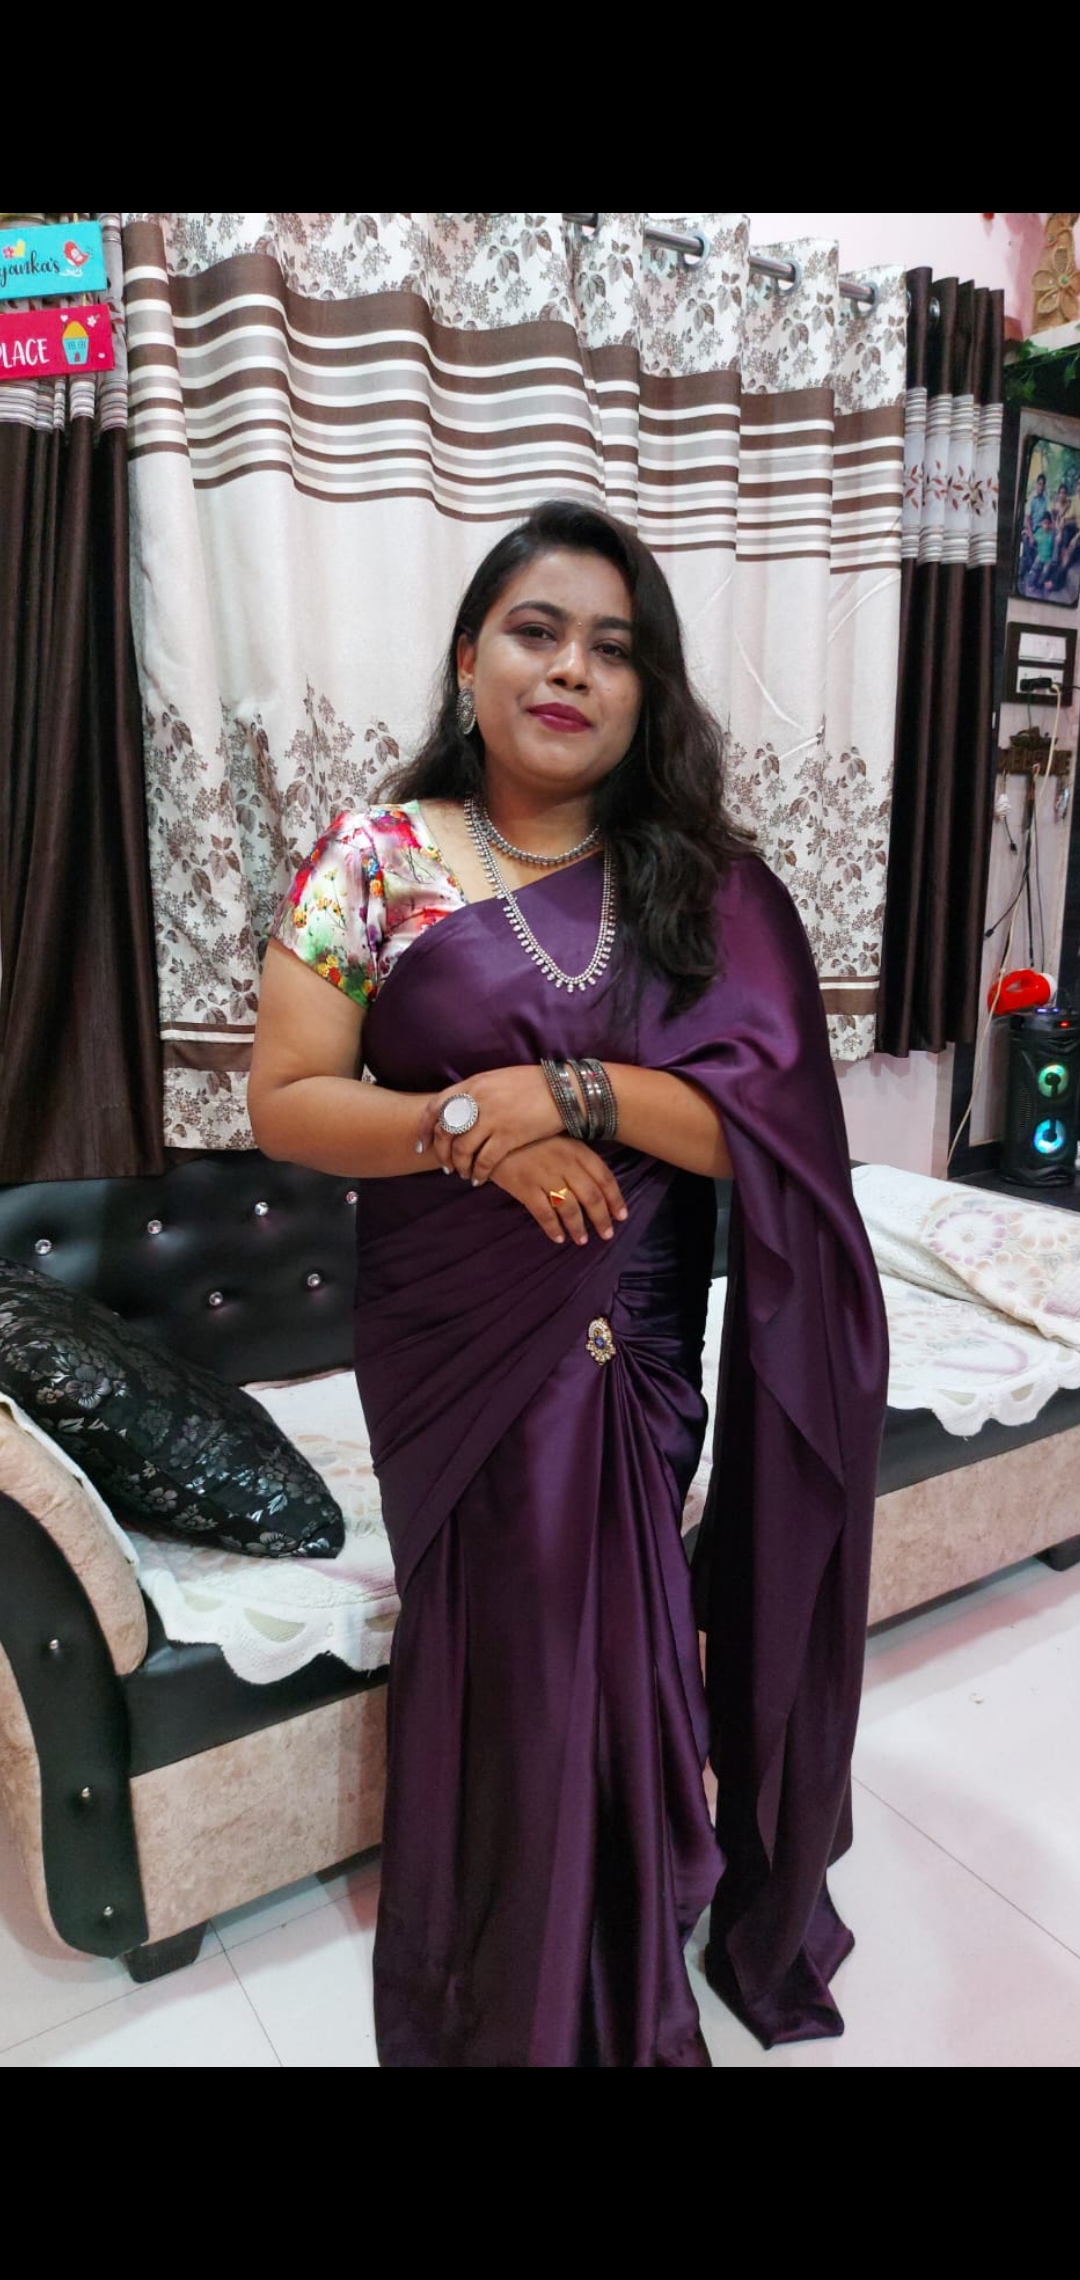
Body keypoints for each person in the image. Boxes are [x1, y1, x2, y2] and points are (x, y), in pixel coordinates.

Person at [248, 498, 889, 2067]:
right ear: (470, 656)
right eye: (536, 633)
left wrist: (566, 1094)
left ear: (646, 690)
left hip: (633, 1331)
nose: (569, 671)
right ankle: (518, 1972)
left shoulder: (705, 886)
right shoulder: (376, 859)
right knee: (513, 1634)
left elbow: (764, 1137)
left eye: (613, 648)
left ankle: (605, 1933)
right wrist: (468, 1132)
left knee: (609, 1629)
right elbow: (288, 1102)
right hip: (449, 1326)